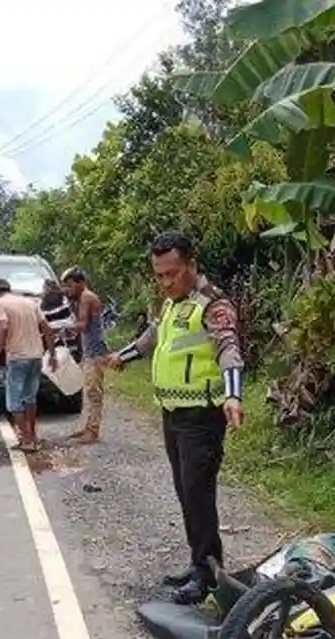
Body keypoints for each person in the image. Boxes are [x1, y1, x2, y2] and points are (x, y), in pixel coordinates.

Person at [106, 231, 245, 605]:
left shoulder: (212, 305)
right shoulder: (171, 305)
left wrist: (233, 394)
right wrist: (124, 355)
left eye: (173, 273)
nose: (166, 282)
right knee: (186, 493)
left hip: (201, 417)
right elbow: (154, 338)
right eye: (160, 275)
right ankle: (201, 562)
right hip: (173, 415)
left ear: (191, 265)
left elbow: (229, 347)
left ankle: (207, 575)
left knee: (199, 495)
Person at [0, 278, 57, 452]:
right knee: (30, 398)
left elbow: (2, 327)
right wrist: (52, 354)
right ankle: (31, 434)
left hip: (18, 357)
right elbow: (47, 328)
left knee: (14, 402)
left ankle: (27, 440)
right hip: (36, 356)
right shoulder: (30, 302)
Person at [59, 267, 109, 444]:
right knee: (88, 390)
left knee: (94, 392)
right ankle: (89, 426)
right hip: (89, 349)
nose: (68, 289)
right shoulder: (79, 299)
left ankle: (93, 431)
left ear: (81, 283)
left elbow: (81, 324)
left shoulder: (87, 297)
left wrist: (62, 328)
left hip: (95, 351)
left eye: (70, 285)